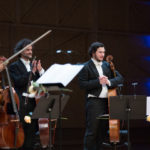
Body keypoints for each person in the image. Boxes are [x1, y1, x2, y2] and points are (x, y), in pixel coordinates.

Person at [78, 42, 124, 150]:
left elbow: (120, 78)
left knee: (102, 132)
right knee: (92, 132)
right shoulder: (85, 66)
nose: (102, 54)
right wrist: (97, 82)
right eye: (100, 52)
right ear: (93, 52)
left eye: (104, 52)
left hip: (107, 102)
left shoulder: (107, 65)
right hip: (94, 102)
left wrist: (109, 81)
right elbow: (82, 84)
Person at [9, 38, 45, 150]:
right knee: (20, 135)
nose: (30, 52)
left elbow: (40, 85)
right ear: (20, 51)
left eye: (31, 49)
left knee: (31, 136)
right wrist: (32, 72)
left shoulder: (33, 65)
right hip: (21, 104)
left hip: (34, 103)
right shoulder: (13, 66)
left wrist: (40, 72)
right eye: (27, 50)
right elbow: (19, 82)